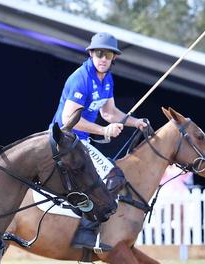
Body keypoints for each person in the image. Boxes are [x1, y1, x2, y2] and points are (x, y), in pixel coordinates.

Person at [51, 32, 149, 248]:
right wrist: (104, 132)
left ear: (114, 57)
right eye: (99, 53)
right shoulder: (80, 78)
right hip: (66, 139)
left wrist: (135, 122)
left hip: (81, 142)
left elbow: (110, 112)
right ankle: (85, 233)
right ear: (91, 54)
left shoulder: (107, 80)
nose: (103, 58)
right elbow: (69, 121)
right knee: (112, 176)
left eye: (108, 54)